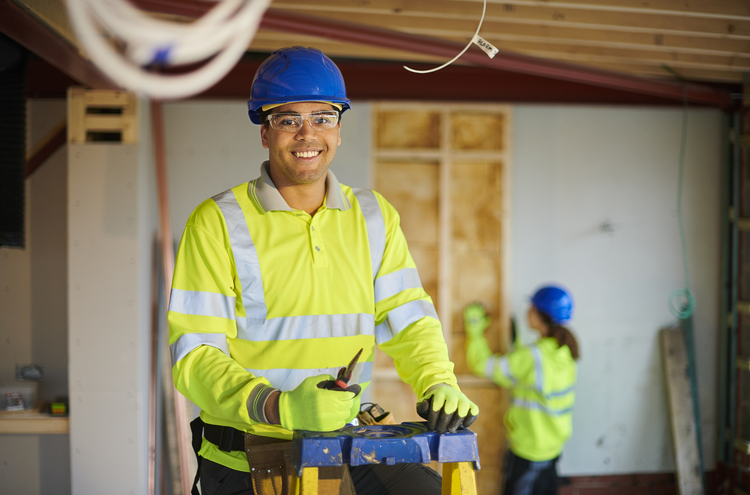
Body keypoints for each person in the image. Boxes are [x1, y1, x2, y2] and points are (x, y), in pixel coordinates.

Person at [167, 46, 479, 495]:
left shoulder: (373, 216)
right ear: (264, 132)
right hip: (246, 457)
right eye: (288, 119)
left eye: (323, 117)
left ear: (339, 127)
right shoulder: (217, 222)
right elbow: (195, 357)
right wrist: (280, 407)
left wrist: (437, 381)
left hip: (344, 441)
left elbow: (407, 316)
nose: (307, 133)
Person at [463, 285, 579, 495]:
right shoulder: (564, 351)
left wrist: (475, 330)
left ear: (540, 315)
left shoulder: (533, 357)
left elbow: (483, 365)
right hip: (551, 449)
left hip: (528, 451)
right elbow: (532, 379)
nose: (527, 312)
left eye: (531, 308)